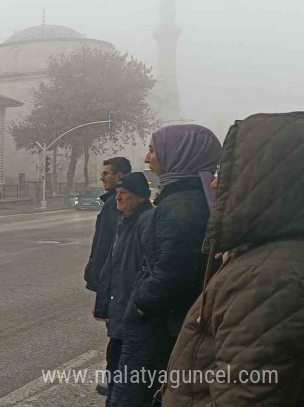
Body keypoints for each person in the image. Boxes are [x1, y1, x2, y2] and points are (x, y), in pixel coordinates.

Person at [164, 112, 304, 406]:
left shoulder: (267, 278)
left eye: (227, 173)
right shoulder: (273, 259)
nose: (216, 185)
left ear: (263, 181)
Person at [109, 125, 222, 407]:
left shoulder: (181, 207)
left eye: (152, 150)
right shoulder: (190, 199)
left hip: (161, 329)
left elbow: (173, 271)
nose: (148, 159)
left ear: (179, 154)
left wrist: (142, 304)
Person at [93, 173, 154, 405]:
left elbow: (148, 270)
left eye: (124, 194)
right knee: (115, 364)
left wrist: (138, 306)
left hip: (132, 313)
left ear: (138, 197)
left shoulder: (146, 221)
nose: (117, 198)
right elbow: (113, 269)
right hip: (121, 311)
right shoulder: (124, 222)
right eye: (117, 193)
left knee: (125, 374)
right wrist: (102, 305)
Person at [85, 157, 131, 395]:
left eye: (106, 173)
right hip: (111, 279)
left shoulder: (115, 203)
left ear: (119, 176)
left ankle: (116, 381)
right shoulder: (114, 202)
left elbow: (106, 248)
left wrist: (99, 284)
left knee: (116, 332)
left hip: (112, 281)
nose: (102, 177)